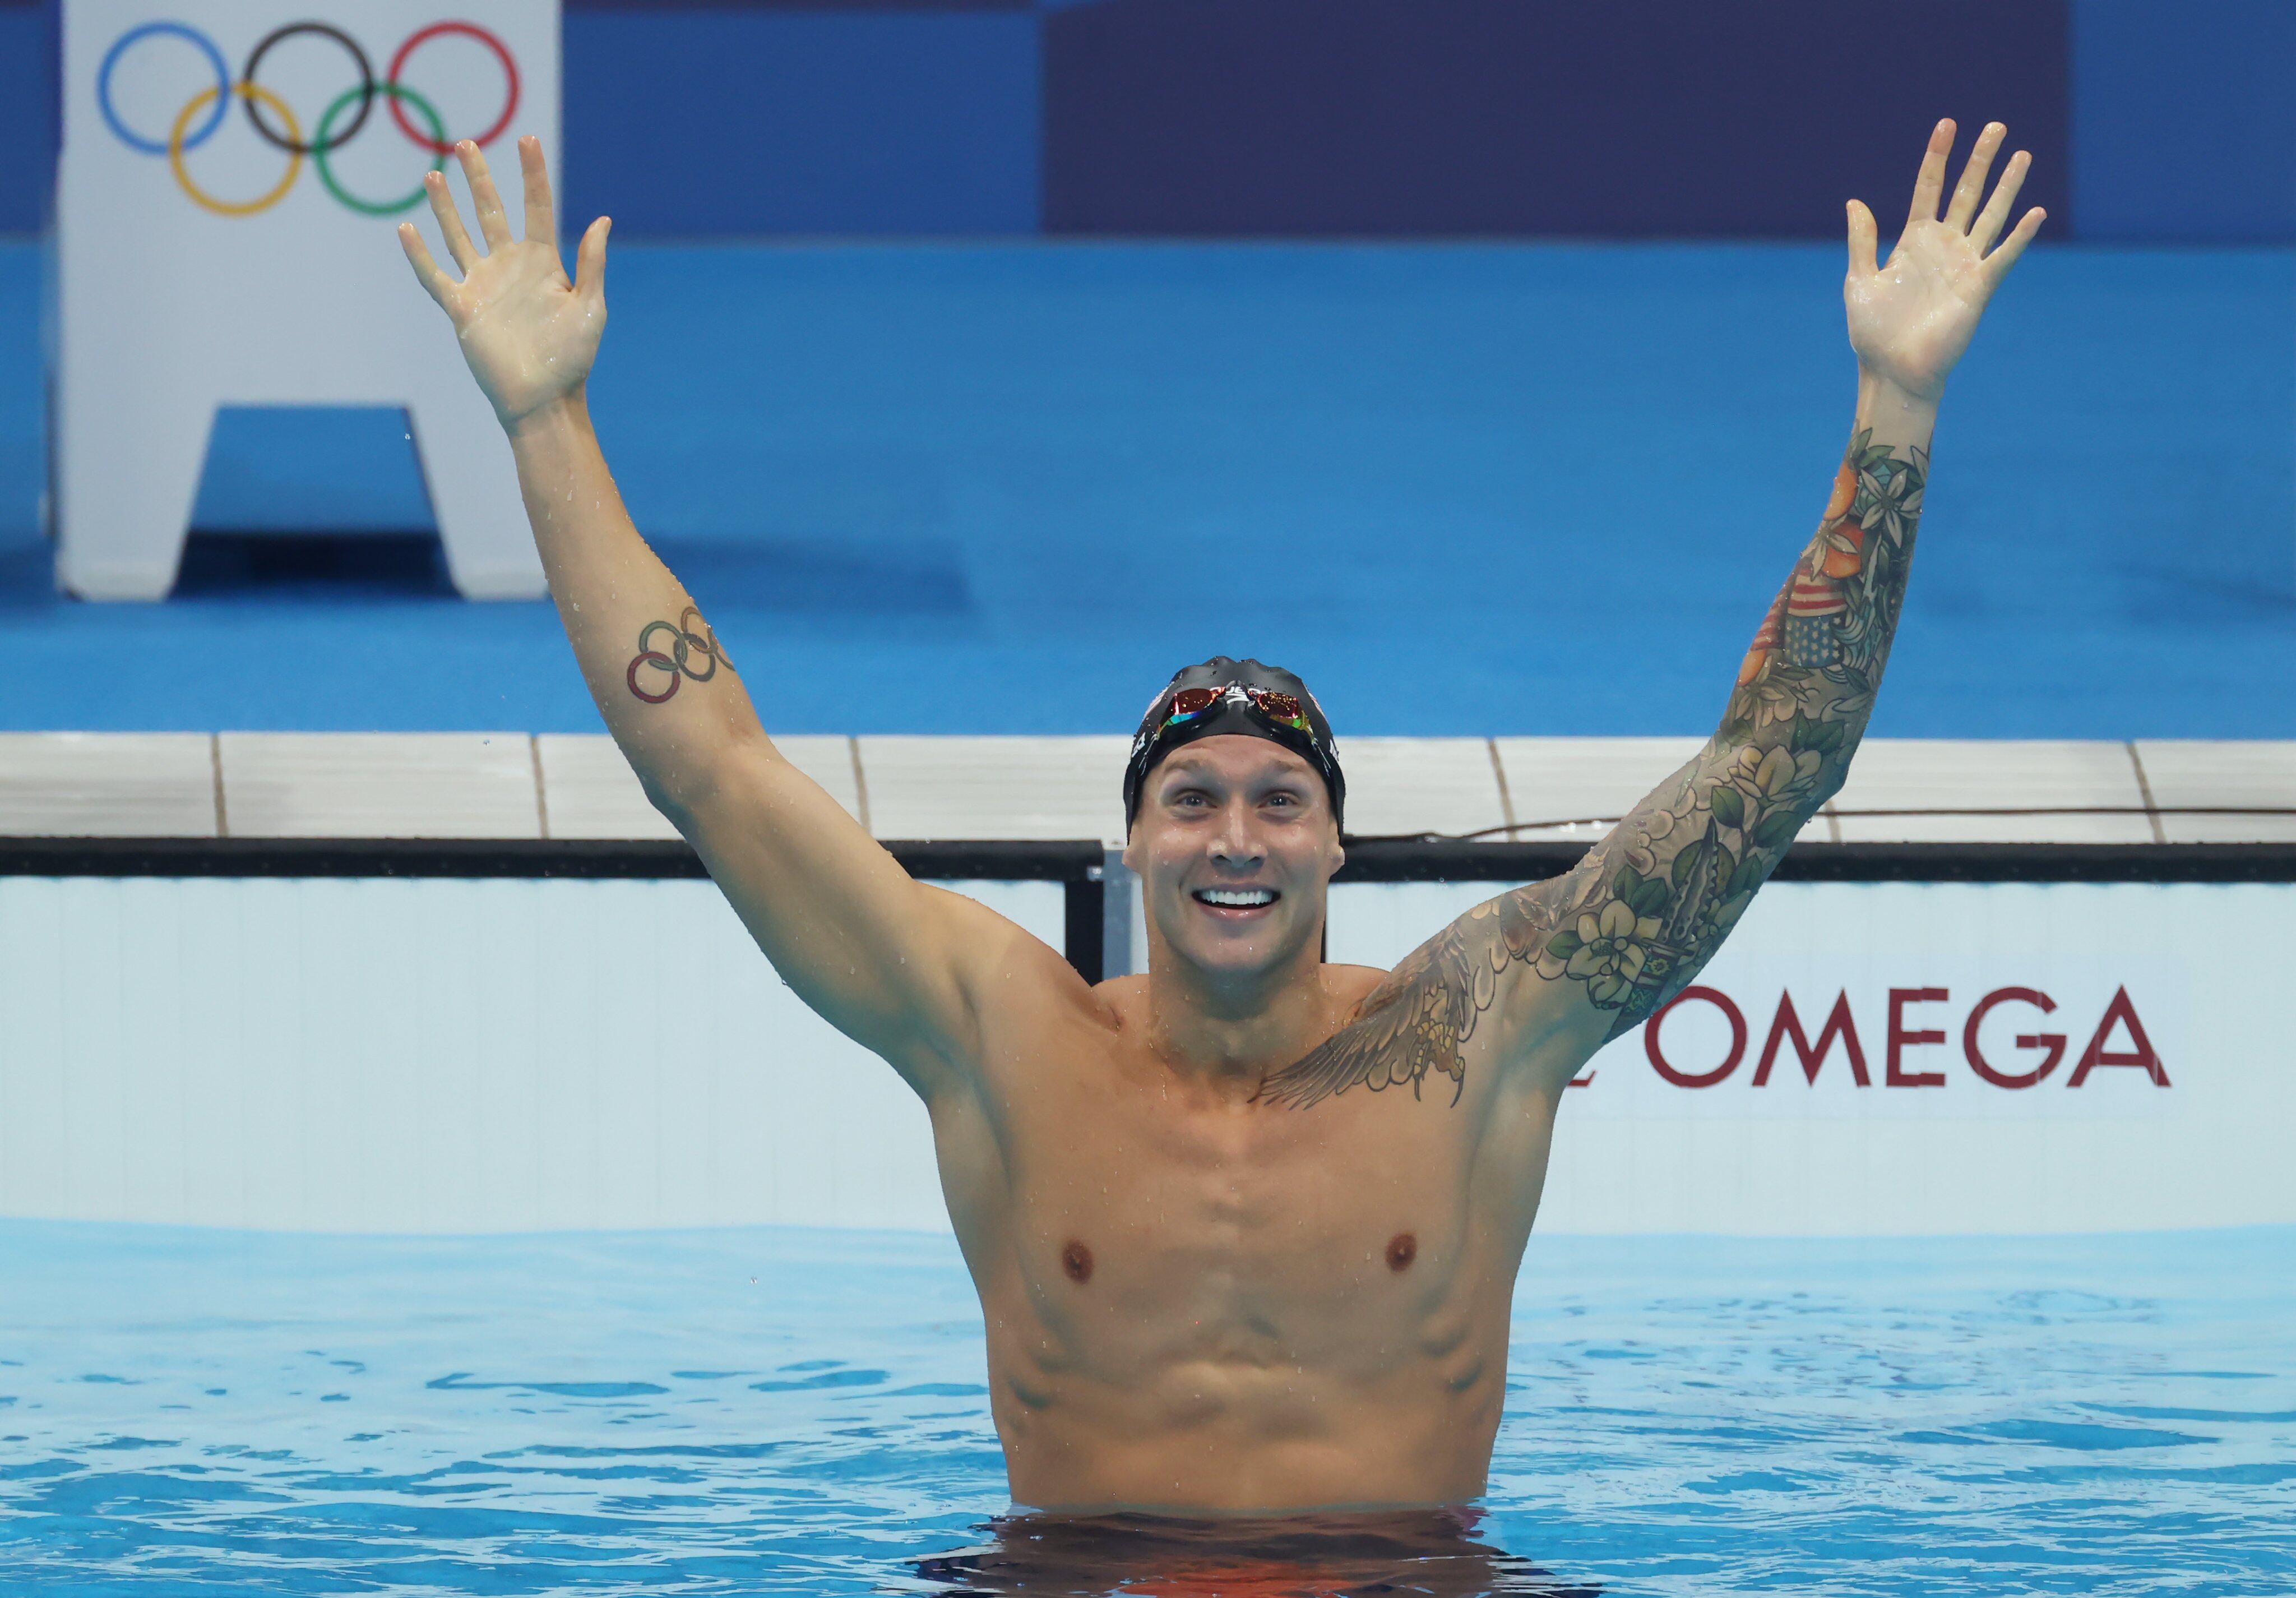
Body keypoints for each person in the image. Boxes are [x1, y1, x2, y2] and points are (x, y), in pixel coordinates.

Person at [399, 119, 2043, 1514]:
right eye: (1191, 801)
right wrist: (547, 419)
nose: (1235, 835)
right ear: (1131, 842)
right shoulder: (992, 1027)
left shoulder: (1489, 1019)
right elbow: (714, 765)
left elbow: (1779, 759)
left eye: (1277, 800)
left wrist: (1897, 401)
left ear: (1338, 842)